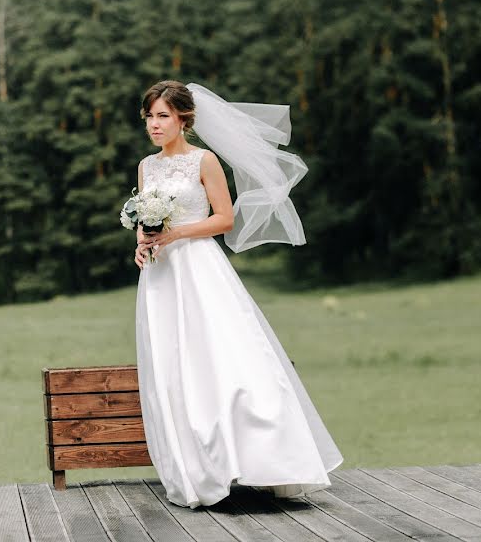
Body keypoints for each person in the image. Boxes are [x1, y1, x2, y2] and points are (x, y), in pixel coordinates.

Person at [133, 80, 343, 509]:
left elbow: (224, 219)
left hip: (198, 267)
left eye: (163, 116)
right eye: (150, 117)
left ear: (183, 120)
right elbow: (143, 219)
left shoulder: (204, 161)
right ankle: (195, 468)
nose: (155, 125)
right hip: (160, 276)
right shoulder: (146, 167)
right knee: (172, 365)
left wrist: (175, 234)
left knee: (220, 355)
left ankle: (257, 458)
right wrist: (143, 241)